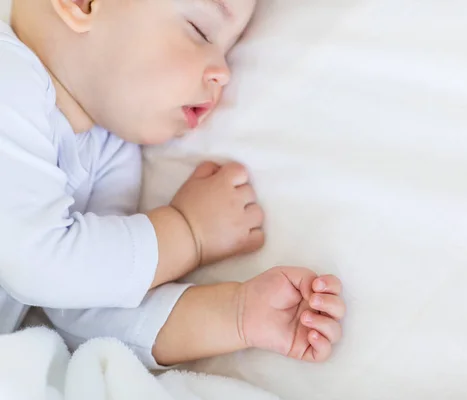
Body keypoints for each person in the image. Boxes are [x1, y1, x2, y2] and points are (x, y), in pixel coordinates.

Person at [0, 0, 345, 368]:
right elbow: (38, 261)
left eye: (228, 49)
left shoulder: (110, 150)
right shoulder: (10, 74)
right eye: (200, 30)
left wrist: (236, 314)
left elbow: (86, 303)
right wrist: (186, 233)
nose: (224, 73)